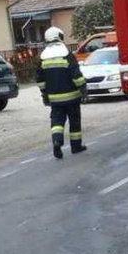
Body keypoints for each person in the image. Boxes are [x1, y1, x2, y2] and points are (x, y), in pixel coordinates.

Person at [36, 26, 88, 160]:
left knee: (57, 121)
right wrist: (83, 90)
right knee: (74, 121)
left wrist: (44, 94)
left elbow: (40, 80)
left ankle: (57, 141)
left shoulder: (43, 58)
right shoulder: (67, 55)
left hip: (54, 99)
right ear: (59, 36)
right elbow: (76, 75)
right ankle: (76, 146)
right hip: (72, 97)